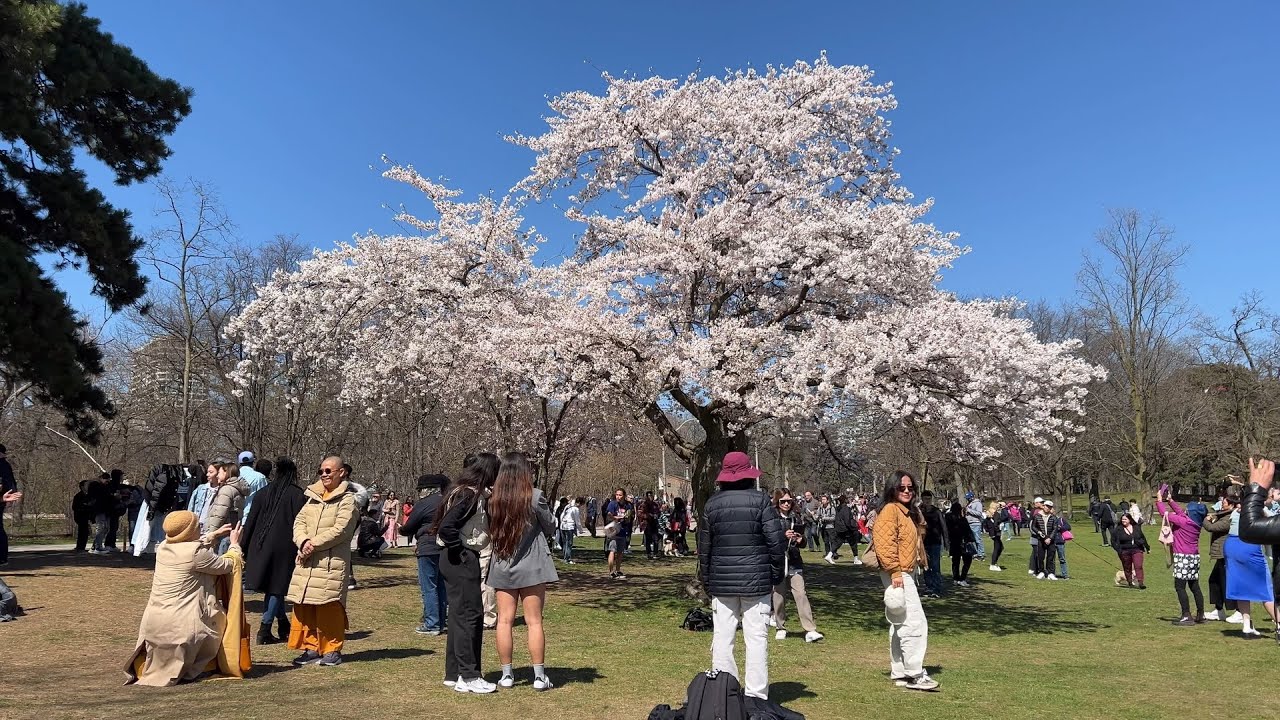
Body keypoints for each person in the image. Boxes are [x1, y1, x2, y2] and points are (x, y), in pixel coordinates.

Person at [697, 451, 786, 710]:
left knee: (723, 637)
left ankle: (724, 693)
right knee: (756, 638)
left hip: (722, 581)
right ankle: (756, 697)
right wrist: (776, 575)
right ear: (748, 475)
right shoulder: (761, 502)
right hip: (756, 580)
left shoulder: (712, 505)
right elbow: (775, 542)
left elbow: (705, 547)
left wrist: (707, 579)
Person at [124, 512, 247, 686]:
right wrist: (234, 545)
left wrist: (214, 535)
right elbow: (226, 565)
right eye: (197, 526)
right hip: (181, 624)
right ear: (189, 531)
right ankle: (204, 664)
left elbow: (191, 548)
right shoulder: (195, 554)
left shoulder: (164, 547)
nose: (201, 528)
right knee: (218, 621)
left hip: (154, 621)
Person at [487, 452, 559, 691]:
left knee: (504, 621)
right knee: (534, 622)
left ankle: (507, 675)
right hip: (533, 566)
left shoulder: (493, 500)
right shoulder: (535, 497)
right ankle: (539, 676)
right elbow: (550, 526)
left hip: (503, 564)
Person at [434, 452, 500, 693]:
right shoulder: (468, 495)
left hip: (452, 558)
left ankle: (453, 673)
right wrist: (461, 551)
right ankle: (469, 676)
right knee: (470, 616)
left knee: (458, 616)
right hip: (460, 558)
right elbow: (447, 527)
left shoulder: (460, 490)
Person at [286, 455, 359, 667]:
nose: (324, 475)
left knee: (329, 607)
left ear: (341, 472)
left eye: (328, 471)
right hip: (306, 562)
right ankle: (311, 648)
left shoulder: (348, 500)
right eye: (321, 471)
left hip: (330, 564)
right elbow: (298, 523)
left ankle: (331, 650)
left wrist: (312, 544)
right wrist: (303, 542)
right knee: (305, 605)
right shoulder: (312, 498)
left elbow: (341, 530)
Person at [871, 471, 937, 692]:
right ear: (892, 489)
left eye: (910, 487)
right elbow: (884, 544)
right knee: (914, 622)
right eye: (902, 488)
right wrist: (895, 572)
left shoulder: (907, 512)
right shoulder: (891, 511)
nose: (907, 491)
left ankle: (899, 671)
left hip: (905, 571)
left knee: (899, 623)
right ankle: (915, 672)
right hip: (897, 572)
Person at [240, 457, 306, 645]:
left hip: (259, 545)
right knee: (277, 588)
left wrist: (243, 546)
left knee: (273, 588)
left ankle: (283, 623)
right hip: (284, 547)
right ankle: (265, 628)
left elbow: (251, 520)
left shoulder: (263, 493)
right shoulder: (296, 495)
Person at [1222, 465, 1274, 639]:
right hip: (1248, 547)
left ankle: (1246, 626)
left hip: (1231, 545)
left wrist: (1238, 482)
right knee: (1265, 588)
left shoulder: (1237, 510)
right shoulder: (1258, 510)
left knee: (1242, 587)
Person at [770, 490, 823, 642]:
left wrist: (801, 540)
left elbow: (803, 540)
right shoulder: (772, 518)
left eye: (789, 501)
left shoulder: (796, 517)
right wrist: (782, 535)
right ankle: (780, 626)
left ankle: (810, 629)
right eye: (783, 501)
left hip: (794, 560)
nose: (786, 504)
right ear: (777, 502)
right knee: (779, 595)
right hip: (778, 560)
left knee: (801, 593)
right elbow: (768, 539)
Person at [401, 473, 449, 635]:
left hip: (427, 546)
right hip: (445, 547)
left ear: (427, 489)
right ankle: (442, 621)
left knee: (429, 587)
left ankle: (432, 623)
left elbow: (409, 526)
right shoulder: (448, 501)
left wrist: (401, 529)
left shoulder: (424, 504)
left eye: (421, 489)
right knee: (442, 586)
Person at [1156, 484, 1206, 625]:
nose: (1185, 510)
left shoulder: (1184, 522)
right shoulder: (1193, 522)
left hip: (1182, 557)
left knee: (1180, 587)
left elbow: (1164, 515)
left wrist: (1159, 500)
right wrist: (1170, 500)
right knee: (1194, 586)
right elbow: (1180, 513)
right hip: (1194, 557)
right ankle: (1201, 615)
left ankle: (1186, 615)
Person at [1203, 487, 1239, 621]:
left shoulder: (1229, 518)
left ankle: (1238, 611)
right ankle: (1219, 610)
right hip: (1220, 555)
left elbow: (1212, 527)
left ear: (1231, 505)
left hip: (1226, 554)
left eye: (1224, 502)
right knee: (1214, 580)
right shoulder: (1223, 515)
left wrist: (1206, 519)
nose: (1222, 503)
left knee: (1226, 583)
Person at [206, 462, 249, 554]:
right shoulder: (236, 489)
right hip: (231, 534)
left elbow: (219, 514)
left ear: (226, 473)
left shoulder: (226, 490)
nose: (217, 476)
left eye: (219, 473)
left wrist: (211, 534)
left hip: (221, 534)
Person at [918, 491, 946, 597]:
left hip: (935, 542)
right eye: (925, 499)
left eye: (929, 499)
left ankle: (936, 587)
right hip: (924, 542)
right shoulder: (920, 512)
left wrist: (946, 541)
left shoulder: (936, 511)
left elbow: (943, 527)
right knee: (925, 566)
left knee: (935, 566)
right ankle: (929, 586)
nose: (927, 501)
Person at [1113, 512, 1149, 589]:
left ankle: (1140, 582)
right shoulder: (1118, 529)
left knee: (1138, 566)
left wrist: (1147, 547)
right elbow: (1113, 541)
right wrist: (1118, 550)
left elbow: (1143, 537)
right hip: (1124, 551)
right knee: (1127, 567)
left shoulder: (1136, 527)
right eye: (1122, 519)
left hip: (1137, 549)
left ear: (1129, 519)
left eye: (1125, 519)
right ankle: (1129, 582)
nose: (1123, 521)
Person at [604, 487, 634, 580]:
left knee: (620, 552)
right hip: (613, 530)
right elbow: (609, 514)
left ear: (624, 496)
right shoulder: (612, 504)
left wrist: (627, 517)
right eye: (617, 495)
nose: (618, 497)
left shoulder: (628, 505)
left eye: (620, 495)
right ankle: (611, 572)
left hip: (623, 530)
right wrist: (615, 518)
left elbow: (630, 516)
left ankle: (618, 570)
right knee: (612, 550)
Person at [943, 501, 975, 587]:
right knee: (967, 560)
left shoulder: (948, 518)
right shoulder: (962, 520)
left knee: (955, 561)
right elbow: (967, 531)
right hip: (962, 542)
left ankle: (956, 578)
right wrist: (971, 539)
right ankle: (962, 578)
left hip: (954, 542)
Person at [1030, 497, 1060, 580]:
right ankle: (1041, 572)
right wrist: (1042, 535)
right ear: (1043, 506)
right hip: (1041, 539)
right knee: (1040, 557)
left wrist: (1050, 538)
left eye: (1050, 507)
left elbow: (1055, 528)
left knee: (1051, 557)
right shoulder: (1037, 516)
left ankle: (1050, 573)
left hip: (1051, 540)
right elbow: (1034, 527)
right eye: (1046, 506)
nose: (1048, 508)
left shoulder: (1053, 517)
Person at [236, 451, 269, 524]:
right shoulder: (260, 477)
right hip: (251, 519)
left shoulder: (233, 475)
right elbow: (264, 499)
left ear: (239, 462)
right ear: (253, 462)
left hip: (234, 518)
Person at [831, 494, 862, 564]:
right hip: (847, 529)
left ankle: (830, 554)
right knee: (853, 543)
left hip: (840, 528)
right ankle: (856, 558)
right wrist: (852, 528)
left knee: (838, 543)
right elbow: (847, 520)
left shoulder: (838, 508)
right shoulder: (845, 509)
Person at [0, 443, 15, 564]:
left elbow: (8, 482)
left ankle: (2, 556)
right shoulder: (5, 465)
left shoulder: (3, 465)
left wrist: (9, 495)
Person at [983, 501, 1008, 571]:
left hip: (992, 533)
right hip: (996, 533)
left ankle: (994, 563)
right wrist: (997, 530)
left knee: (999, 547)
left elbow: (984, 523)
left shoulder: (989, 514)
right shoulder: (996, 514)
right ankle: (993, 564)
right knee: (997, 548)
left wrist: (988, 531)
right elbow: (996, 523)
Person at [1049, 501, 1071, 579]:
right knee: (1051, 559)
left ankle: (1065, 574)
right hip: (1051, 541)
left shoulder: (1060, 519)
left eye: (1052, 510)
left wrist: (1060, 527)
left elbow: (1068, 527)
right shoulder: (1048, 520)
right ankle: (1052, 573)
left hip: (1060, 542)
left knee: (1062, 558)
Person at [556, 494, 580, 563]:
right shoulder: (570, 508)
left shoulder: (567, 507)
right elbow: (576, 520)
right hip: (567, 527)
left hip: (563, 526)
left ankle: (565, 557)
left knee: (565, 542)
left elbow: (561, 516)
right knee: (568, 543)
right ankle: (567, 558)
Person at [72, 480, 94, 552]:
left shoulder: (88, 495)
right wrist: (85, 506)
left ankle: (82, 546)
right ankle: (80, 547)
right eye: (86, 485)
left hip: (86, 516)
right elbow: (74, 507)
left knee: (85, 532)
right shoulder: (78, 496)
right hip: (80, 516)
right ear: (82, 487)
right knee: (82, 532)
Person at [964, 492, 985, 561]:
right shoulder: (969, 504)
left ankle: (981, 554)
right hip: (968, 523)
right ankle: (973, 553)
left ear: (972, 497)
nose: (967, 499)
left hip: (975, 523)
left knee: (977, 539)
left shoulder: (978, 503)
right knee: (968, 540)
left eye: (968, 498)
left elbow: (979, 513)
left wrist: (969, 510)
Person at [816, 494, 837, 563]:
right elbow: (817, 515)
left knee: (832, 540)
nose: (823, 501)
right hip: (823, 527)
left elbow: (833, 518)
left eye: (824, 499)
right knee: (826, 541)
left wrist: (825, 518)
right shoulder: (820, 508)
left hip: (830, 526)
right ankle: (827, 553)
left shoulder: (832, 508)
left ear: (828, 500)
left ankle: (833, 552)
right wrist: (817, 517)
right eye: (822, 499)